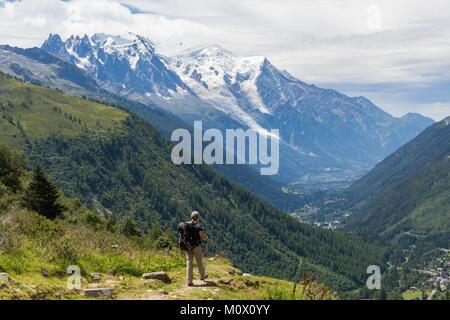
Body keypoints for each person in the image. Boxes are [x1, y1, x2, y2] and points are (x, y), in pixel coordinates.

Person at [179, 211, 208, 286]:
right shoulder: (198, 226)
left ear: (191, 217)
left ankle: (189, 281)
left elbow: (180, 233)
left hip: (187, 246)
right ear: (198, 217)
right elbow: (202, 236)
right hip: (196, 246)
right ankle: (202, 276)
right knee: (199, 261)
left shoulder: (185, 224)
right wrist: (206, 238)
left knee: (189, 262)